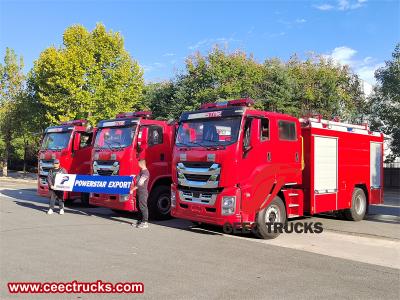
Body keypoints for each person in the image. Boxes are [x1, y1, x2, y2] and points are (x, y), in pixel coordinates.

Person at [131, 159, 150, 228]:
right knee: (138, 207)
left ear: (142, 164)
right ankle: (139, 221)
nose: (138, 165)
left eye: (138, 164)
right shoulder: (141, 171)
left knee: (143, 207)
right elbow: (137, 179)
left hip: (143, 192)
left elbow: (140, 183)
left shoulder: (146, 173)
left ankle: (145, 222)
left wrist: (132, 189)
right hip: (139, 192)